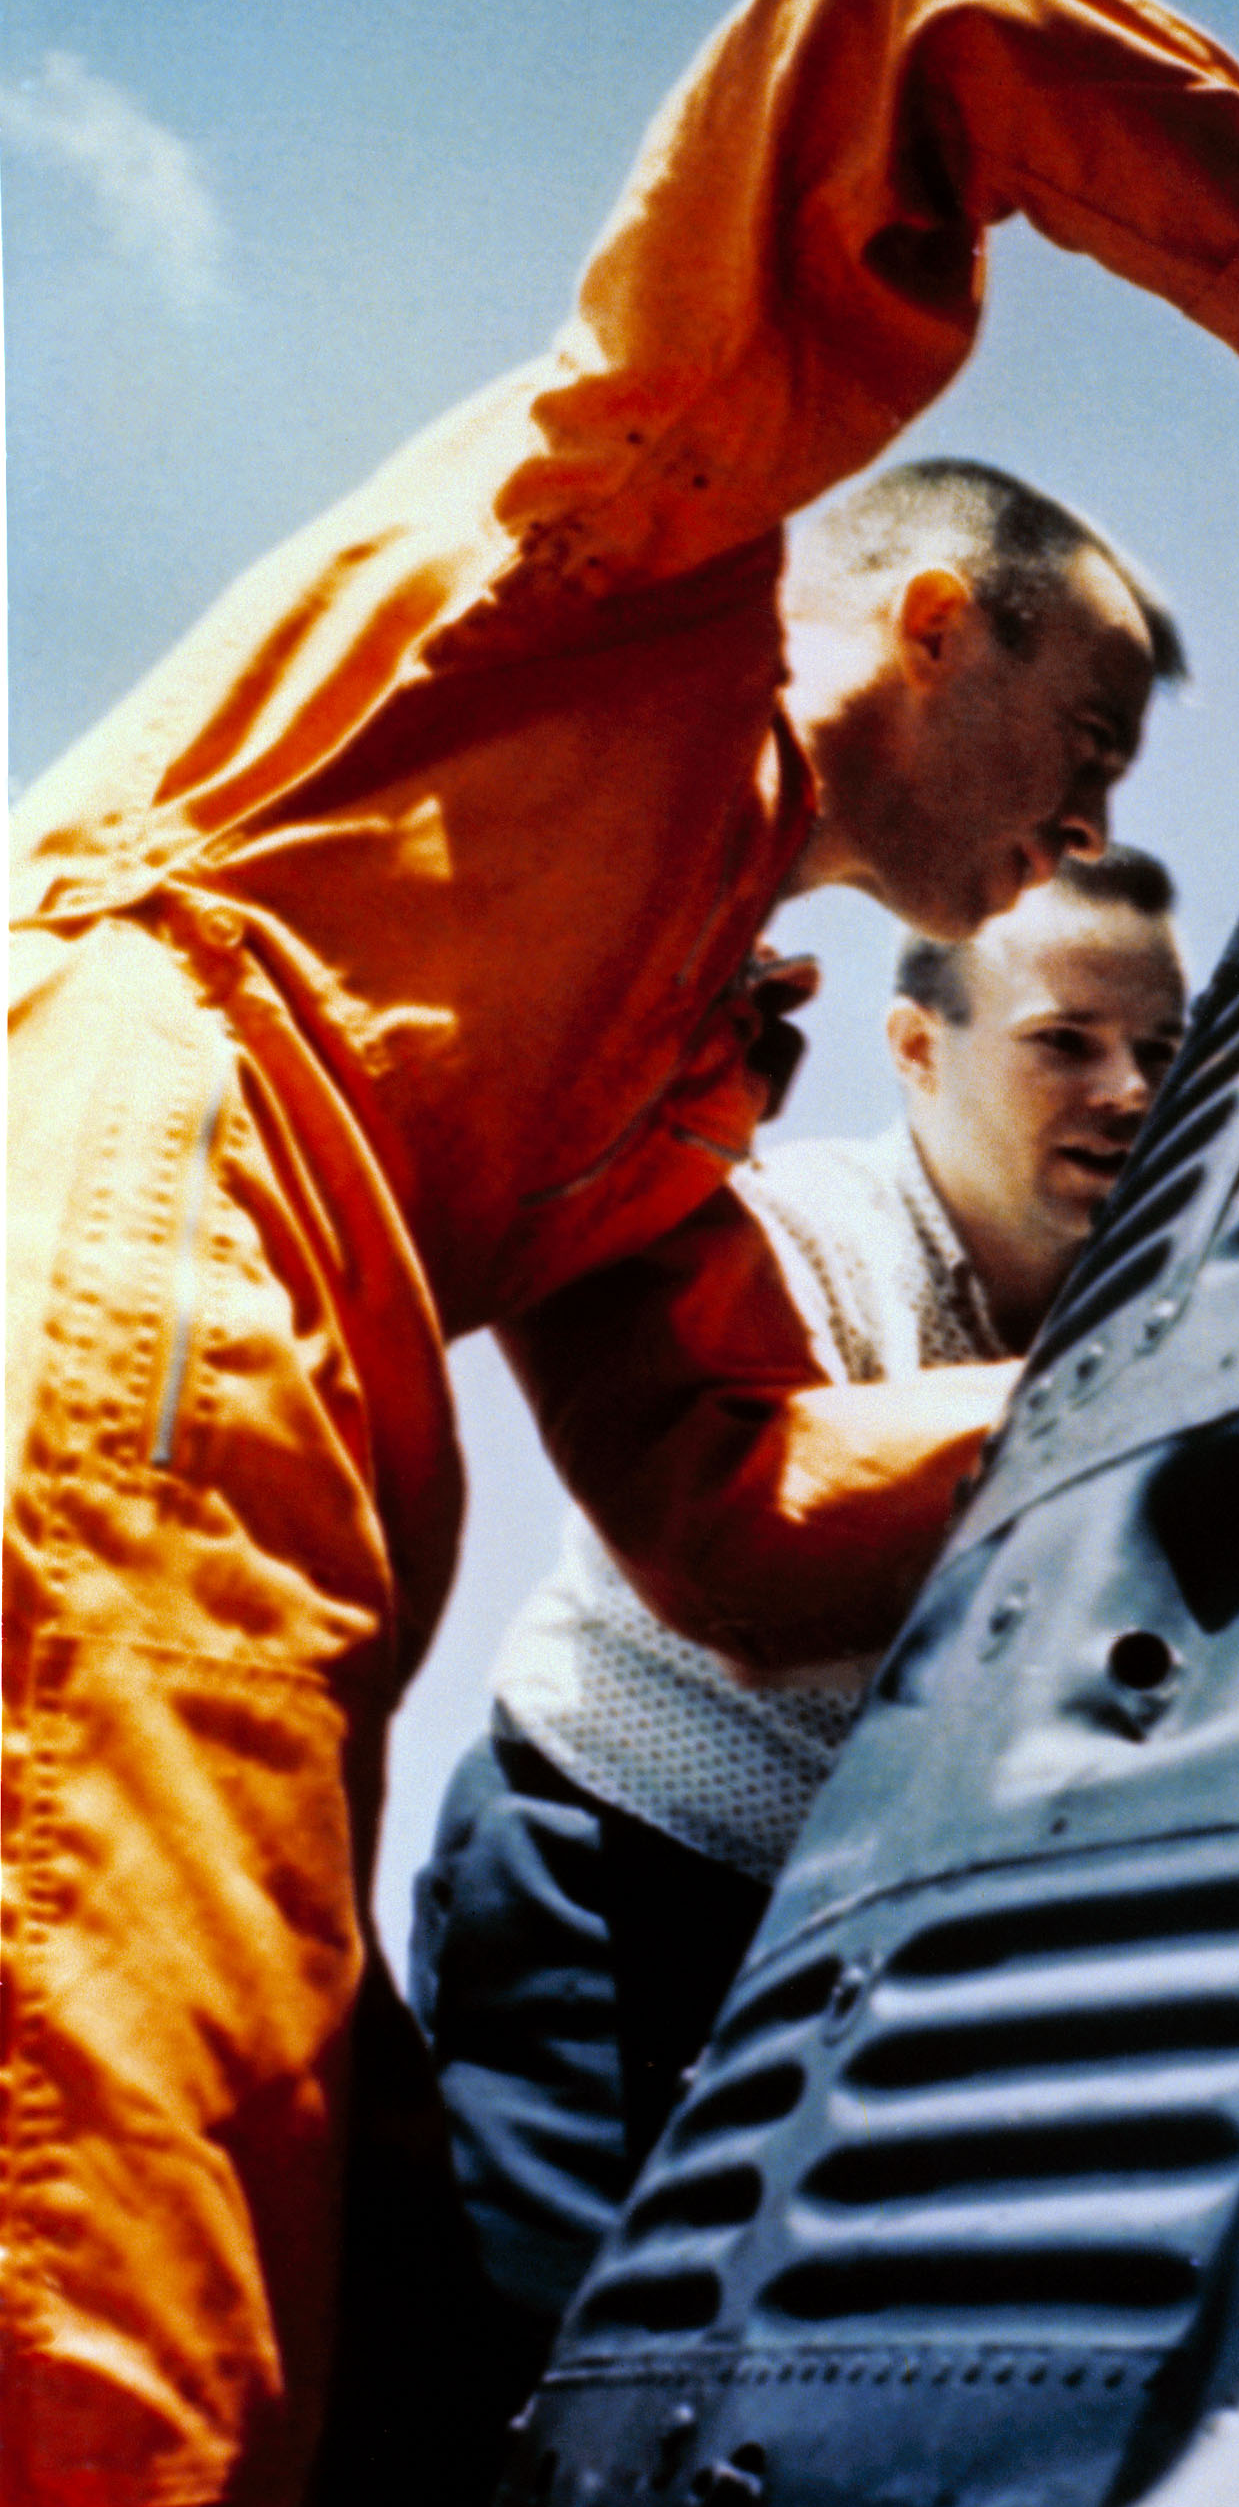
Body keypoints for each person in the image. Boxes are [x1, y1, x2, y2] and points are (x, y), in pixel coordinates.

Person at [2, 0, 1239, 2507]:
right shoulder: (636, 526)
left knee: (302, 2322)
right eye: (1084, 726)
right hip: (125, 1280)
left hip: (281, 1454)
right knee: (99, 2266)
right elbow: (906, 4)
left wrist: (1149, 1361)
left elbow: (724, 1512)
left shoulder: (664, 1073)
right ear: (927, 621)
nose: (1082, 815)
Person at [412, 846, 1189, 2366]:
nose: (1127, 1092)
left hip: (867, 1932)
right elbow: (768, 1574)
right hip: (617, 1882)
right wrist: (1125, 1387)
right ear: (917, 1048)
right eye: (1066, 1042)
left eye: (1161, 1049)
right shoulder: (794, 1237)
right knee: (549, 2368)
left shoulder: (1139, 1301)